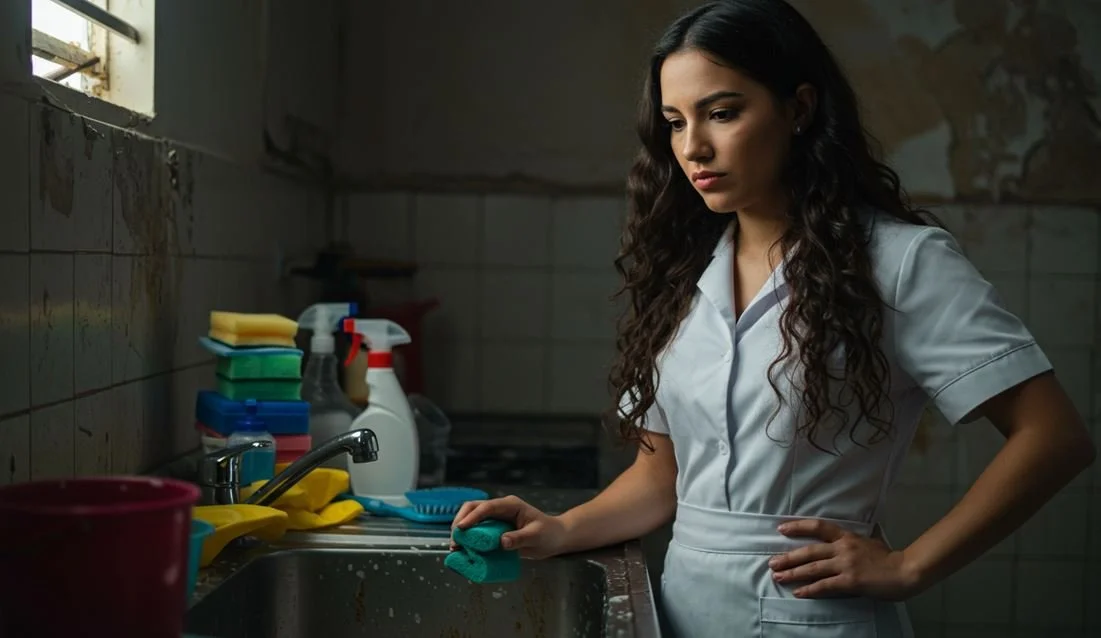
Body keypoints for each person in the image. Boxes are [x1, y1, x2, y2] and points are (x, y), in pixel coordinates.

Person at [450, 1, 1095, 635]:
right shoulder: (684, 267)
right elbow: (662, 477)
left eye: (722, 113)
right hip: (682, 610)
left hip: (817, 617)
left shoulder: (898, 262)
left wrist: (910, 566)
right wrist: (560, 527)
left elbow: (1053, 436)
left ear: (800, 108)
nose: (693, 147)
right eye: (675, 122)